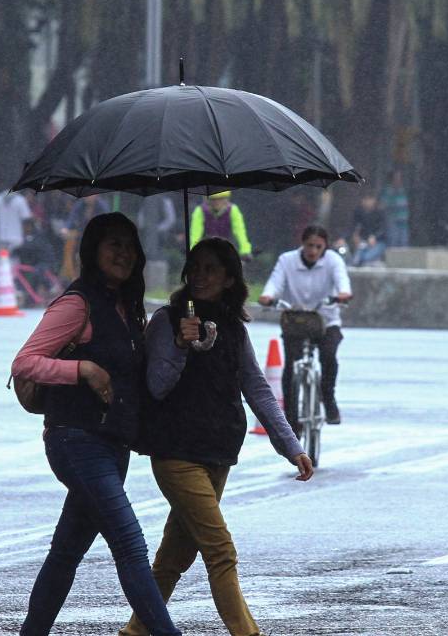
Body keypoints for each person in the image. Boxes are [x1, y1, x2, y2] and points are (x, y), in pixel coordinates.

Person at [121, 237, 313, 636]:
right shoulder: (166, 321)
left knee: (175, 555)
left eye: (211, 269)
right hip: (176, 452)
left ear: (229, 279)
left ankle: (136, 630)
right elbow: (156, 385)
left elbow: (257, 388)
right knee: (220, 550)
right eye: (195, 267)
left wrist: (291, 446)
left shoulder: (232, 327)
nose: (200, 275)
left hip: (219, 452)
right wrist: (180, 344)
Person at [10, 213, 180, 636]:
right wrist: (82, 369)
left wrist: (186, 340)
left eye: (130, 245)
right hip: (75, 439)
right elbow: (24, 362)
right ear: (93, 251)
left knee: (66, 551)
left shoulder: (125, 307)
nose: (124, 253)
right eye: (113, 244)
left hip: (112, 443)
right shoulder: (77, 303)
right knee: (129, 541)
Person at [258, 226, 353, 427]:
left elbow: (342, 282)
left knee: (328, 356)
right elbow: (275, 283)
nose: (313, 251)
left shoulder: (333, 261)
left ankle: (328, 398)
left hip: (326, 321)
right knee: (291, 367)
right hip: (296, 321)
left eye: (318, 247)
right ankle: (291, 420)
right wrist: (268, 297)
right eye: (310, 245)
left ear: (325, 247)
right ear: (302, 244)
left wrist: (343, 294)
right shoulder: (287, 260)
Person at [189, 191, 252, 260]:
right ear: (207, 200)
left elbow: (240, 232)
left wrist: (245, 250)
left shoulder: (233, 210)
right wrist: (193, 250)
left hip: (227, 249)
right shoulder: (200, 210)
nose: (217, 202)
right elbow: (195, 233)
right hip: (207, 249)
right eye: (213, 199)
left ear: (226, 199)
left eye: (220, 199)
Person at [0, 188, 32, 252]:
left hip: (3, 238)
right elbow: (26, 217)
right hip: (17, 239)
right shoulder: (20, 200)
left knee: (2, 259)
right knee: (15, 260)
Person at [349, 194, 387, 266]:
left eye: (369, 199)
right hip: (364, 243)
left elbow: (383, 229)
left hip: (379, 243)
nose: (367, 202)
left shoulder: (380, 212)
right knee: (356, 260)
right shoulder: (359, 212)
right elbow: (355, 227)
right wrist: (356, 236)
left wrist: (375, 237)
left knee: (366, 258)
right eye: (365, 199)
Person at [380, 169, 410, 247]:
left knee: (404, 242)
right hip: (392, 220)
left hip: (403, 220)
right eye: (397, 177)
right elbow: (382, 205)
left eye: (400, 178)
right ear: (392, 179)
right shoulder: (388, 191)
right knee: (393, 241)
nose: (399, 180)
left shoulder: (402, 190)